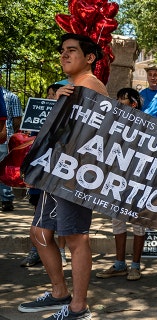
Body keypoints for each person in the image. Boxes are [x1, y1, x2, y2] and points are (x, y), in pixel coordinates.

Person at [18, 33, 109, 320]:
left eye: (71, 50)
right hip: (57, 173)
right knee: (40, 233)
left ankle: (78, 308)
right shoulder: (72, 88)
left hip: (75, 177)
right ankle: (59, 293)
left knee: (75, 237)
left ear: (90, 58)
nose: (64, 55)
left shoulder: (90, 85)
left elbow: (91, 135)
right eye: (62, 51)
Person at [94, 88, 146, 281]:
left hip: (138, 181)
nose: (118, 101)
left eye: (123, 99)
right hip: (116, 179)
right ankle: (119, 264)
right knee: (117, 221)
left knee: (139, 223)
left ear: (133, 104)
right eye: (117, 98)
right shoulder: (112, 123)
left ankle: (136, 265)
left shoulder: (146, 125)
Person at [21, 83, 66, 268]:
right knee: (38, 214)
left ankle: (61, 252)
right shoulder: (36, 115)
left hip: (57, 173)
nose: (50, 98)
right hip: (39, 173)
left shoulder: (66, 117)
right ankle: (36, 251)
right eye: (48, 95)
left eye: (54, 95)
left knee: (60, 214)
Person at [0, 71, 19, 212]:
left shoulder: (11, 97)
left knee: (3, 168)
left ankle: (6, 199)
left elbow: (17, 120)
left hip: (4, 138)